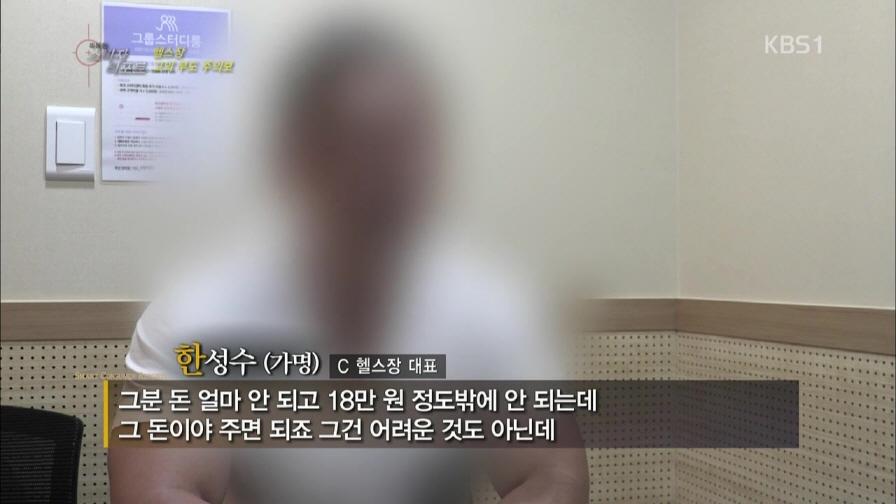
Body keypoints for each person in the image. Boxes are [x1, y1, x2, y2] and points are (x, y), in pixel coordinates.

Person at [109, 22, 588, 504]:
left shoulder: (486, 309)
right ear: (294, 159)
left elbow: (551, 475)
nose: (381, 174)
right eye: (353, 143)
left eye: (405, 145)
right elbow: (161, 491)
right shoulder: (196, 317)